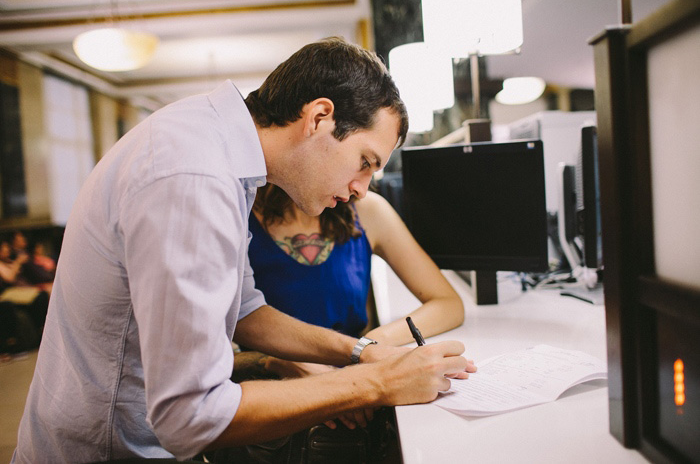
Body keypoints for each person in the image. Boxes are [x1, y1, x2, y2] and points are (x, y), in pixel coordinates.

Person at [13, 37, 475, 463]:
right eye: (364, 162)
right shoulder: (196, 177)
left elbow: (245, 309)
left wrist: (359, 353)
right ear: (318, 118)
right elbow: (191, 415)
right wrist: (375, 383)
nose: (361, 189)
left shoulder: (221, 151)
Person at [242, 183, 465, 382]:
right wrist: (277, 361)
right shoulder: (238, 214)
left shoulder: (368, 210)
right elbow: (219, 346)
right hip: (270, 392)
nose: (363, 188)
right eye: (363, 161)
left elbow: (448, 304)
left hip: (353, 378)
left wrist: (369, 345)